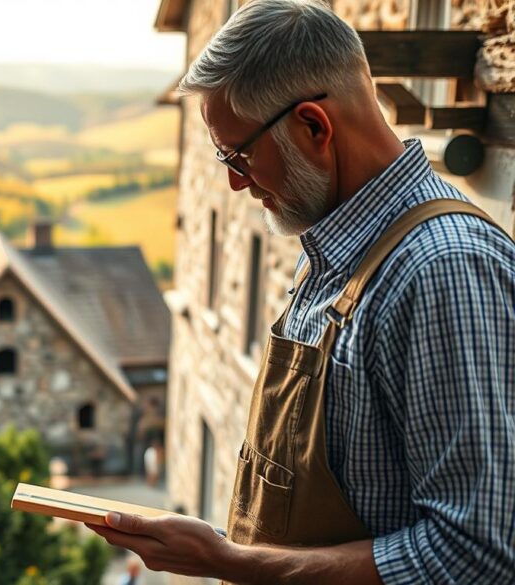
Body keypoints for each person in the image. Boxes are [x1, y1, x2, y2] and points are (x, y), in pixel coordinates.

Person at [88, 1, 515, 583]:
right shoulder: (334, 247)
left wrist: (236, 564)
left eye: (239, 154)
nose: (236, 182)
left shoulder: (444, 270)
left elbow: (475, 554)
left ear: (314, 126)